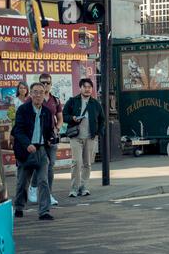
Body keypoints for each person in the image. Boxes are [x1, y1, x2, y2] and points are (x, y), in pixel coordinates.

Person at [12, 83, 55, 221]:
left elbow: (49, 131)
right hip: (26, 151)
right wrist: (27, 144)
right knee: (22, 182)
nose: (38, 95)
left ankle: (44, 211)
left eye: (41, 92)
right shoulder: (23, 110)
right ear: (30, 94)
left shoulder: (47, 112)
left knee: (43, 181)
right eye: (35, 92)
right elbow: (18, 130)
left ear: (44, 94)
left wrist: (50, 139)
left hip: (41, 150)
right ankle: (18, 207)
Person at [63, 78, 105, 197]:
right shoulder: (72, 101)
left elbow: (102, 119)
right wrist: (72, 118)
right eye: (85, 87)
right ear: (80, 88)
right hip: (76, 137)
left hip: (90, 137)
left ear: (92, 89)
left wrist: (98, 132)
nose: (87, 89)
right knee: (76, 162)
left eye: (89, 87)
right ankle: (74, 188)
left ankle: (84, 186)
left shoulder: (95, 103)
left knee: (87, 163)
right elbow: (64, 115)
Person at [28, 73, 63, 206]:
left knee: (50, 166)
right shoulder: (33, 99)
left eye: (48, 82)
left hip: (51, 138)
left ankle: (48, 194)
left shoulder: (56, 100)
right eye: (43, 82)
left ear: (51, 84)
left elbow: (60, 119)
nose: (46, 84)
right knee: (40, 165)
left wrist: (57, 129)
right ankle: (33, 187)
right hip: (37, 139)